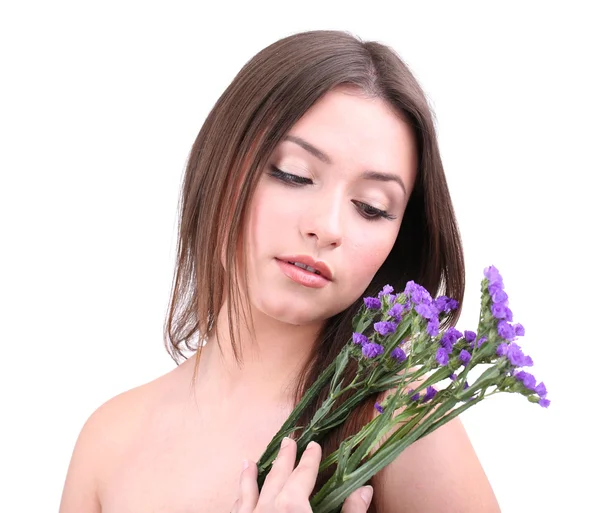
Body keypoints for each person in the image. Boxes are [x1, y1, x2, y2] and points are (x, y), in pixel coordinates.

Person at [59, 30, 501, 512]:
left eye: (371, 208)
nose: (326, 226)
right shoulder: (109, 441)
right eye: (293, 174)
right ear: (224, 162)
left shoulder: (397, 425)